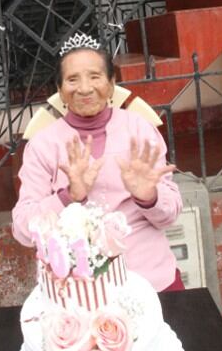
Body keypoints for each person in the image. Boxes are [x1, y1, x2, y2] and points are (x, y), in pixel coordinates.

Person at [12, 31, 185, 292]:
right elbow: (23, 230)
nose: (84, 88)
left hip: (150, 280)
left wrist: (149, 197)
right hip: (76, 288)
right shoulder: (43, 145)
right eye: (72, 79)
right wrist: (68, 196)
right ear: (60, 90)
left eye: (95, 76)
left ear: (112, 83)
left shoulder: (139, 129)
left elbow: (168, 216)